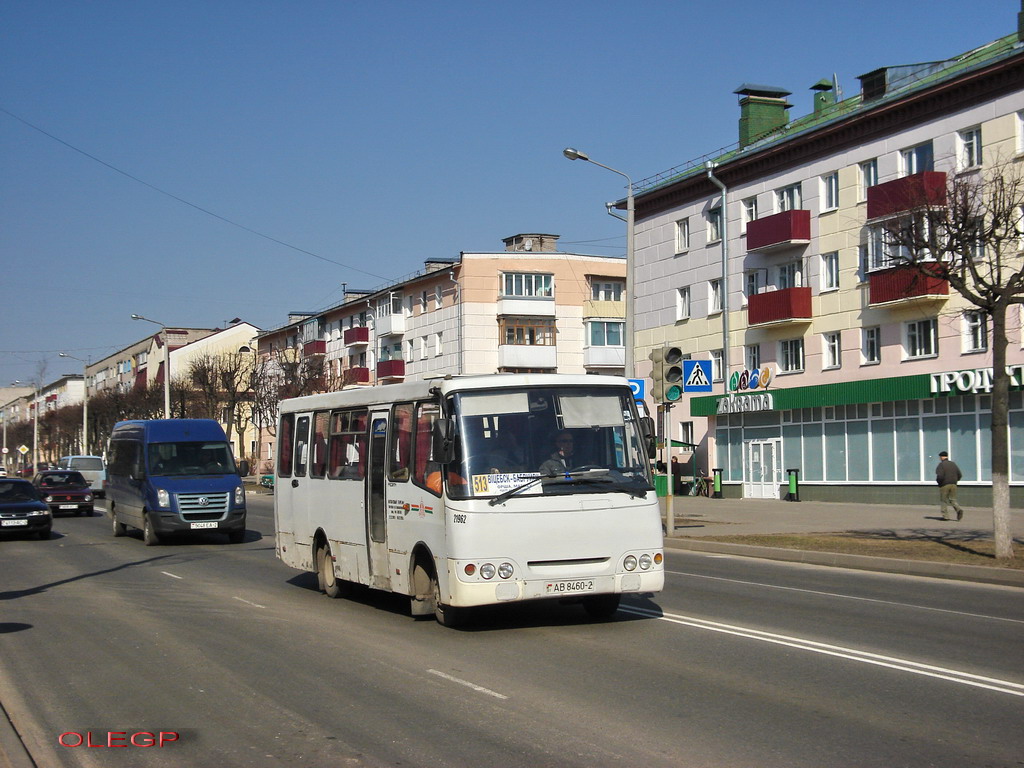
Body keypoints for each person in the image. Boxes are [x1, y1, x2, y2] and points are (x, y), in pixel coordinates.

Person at [935, 450, 964, 521]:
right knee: (952, 499)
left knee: (943, 500)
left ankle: (946, 516)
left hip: (945, 485)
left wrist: (939, 483)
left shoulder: (941, 465)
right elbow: (959, 474)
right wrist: (955, 481)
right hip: (953, 484)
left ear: (941, 457)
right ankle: (958, 509)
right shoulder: (953, 464)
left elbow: (940, 476)